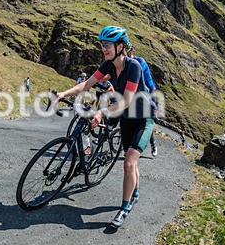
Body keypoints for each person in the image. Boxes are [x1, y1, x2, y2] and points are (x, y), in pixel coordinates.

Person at [54, 25, 154, 229]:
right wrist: (64, 94)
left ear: (120, 46)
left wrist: (101, 112)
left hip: (143, 118)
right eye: (102, 45)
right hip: (127, 118)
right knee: (131, 163)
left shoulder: (133, 66)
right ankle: (135, 193)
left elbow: (126, 100)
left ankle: (124, 208)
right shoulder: (108, 65)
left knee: (128, 162)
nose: (103, 49)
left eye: (107, 45)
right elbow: (86, 84)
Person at [127, 44, 159, 157]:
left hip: (148, 92)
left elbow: (144, 83)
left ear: (131, 52)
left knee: (145, 122)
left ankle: (153, 142)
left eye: (127, 53)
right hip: (134, 92)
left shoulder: (140, 62)